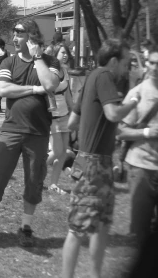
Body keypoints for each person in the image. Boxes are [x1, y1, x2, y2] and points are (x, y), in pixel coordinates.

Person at [0, 19, 61, 247]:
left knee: (34, 181)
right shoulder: (9, 61)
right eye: (14, 33)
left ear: (32, 37)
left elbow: (51, 85)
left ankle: (26, 227)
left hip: (38, 132)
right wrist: (35, 89)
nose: (14, 38)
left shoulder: (50, 62)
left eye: (19, 33)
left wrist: (37, 60)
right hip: (12, 130)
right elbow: (3, 89)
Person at [60, 38, 139, 277]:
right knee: (78, 227)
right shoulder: (104, 75)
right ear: (114, 61)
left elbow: (73, 122)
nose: (128, 68)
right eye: (127, 62)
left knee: (101, 224)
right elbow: (113, 113)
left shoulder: (92, 77)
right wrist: (133, 102)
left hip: (92, 160)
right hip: (94, 163)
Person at [117, 48, 158, 246]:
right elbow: (120, 132)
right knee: (139, 232)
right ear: (147, 64)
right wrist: (147, 133)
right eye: (153, 63)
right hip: (141, 169)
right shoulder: (137, 93)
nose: (156, 67)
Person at [47, 45, 74, 194]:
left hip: (64, 115)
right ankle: (34, 172)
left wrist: (75, 112)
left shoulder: (65, 71)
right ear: (55, 54)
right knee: (57, 151)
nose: (65, 55)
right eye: (62, 52)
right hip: (52, 116)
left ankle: (53, 184)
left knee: (63, 153)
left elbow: (68, 94)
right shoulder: (50, 72)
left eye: (67, 53)